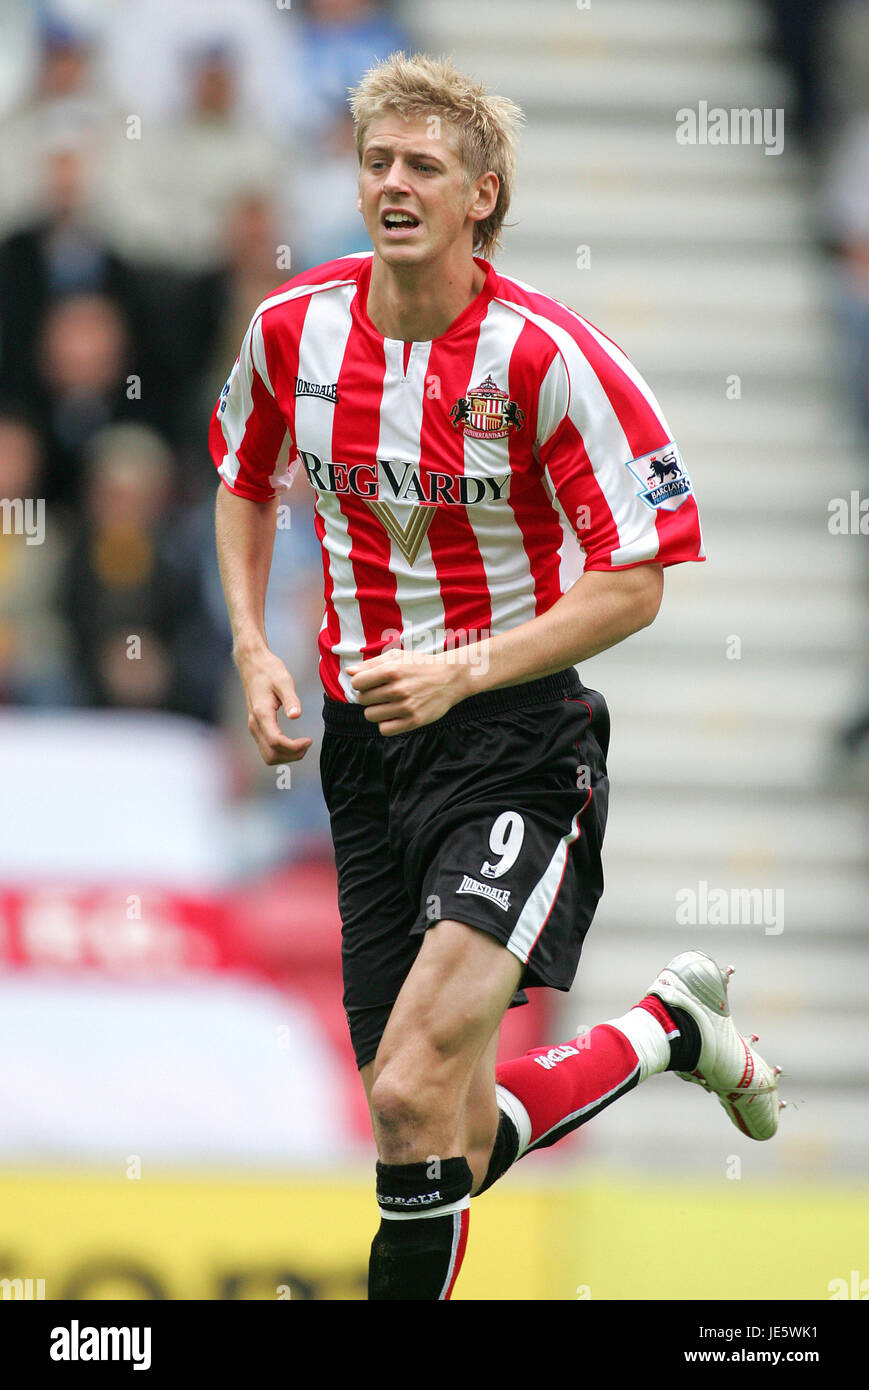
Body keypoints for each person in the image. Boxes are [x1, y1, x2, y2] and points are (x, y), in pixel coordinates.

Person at [211, 52, 782, 1302]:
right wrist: (253, 644)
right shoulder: (289, 330)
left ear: (482, 194)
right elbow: (245, 477)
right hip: (369, 754)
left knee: (409, 1092)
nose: (393, 184)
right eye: (375, 162)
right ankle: (664, 1031)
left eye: (423, 165)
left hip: (518, 741)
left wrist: (466, 671)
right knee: (434, 1134)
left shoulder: (547, 359)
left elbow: (635, 580)